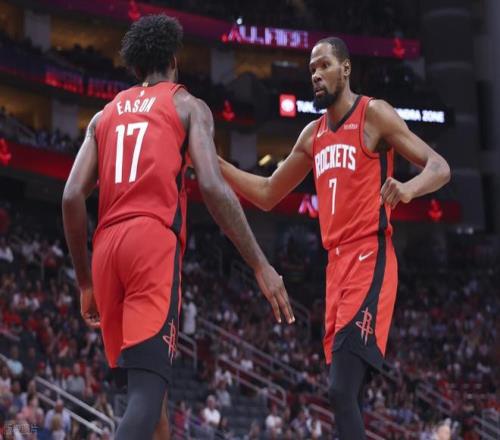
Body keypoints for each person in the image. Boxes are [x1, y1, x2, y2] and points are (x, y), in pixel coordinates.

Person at [62, 14, 294, 440]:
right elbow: (213, 186)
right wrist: (260, 264)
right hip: (150, 244)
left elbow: (71, 197)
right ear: (174, 60)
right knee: (147, 397)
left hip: (106, 247)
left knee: (153, 397)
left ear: (135, 67)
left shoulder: (103, 116)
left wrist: (84, 282)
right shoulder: (188, 106)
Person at [218, 37, 451, 439]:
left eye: (324, 65)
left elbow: (439, 166)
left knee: (340, 390)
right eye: (312, 68)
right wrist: (214, 162)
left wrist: (409, 189)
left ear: (345, 68)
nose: (316, 74)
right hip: (336, 268)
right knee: (348, 396)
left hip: (369, 256)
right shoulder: (313, 135)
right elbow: (268, 193)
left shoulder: (373, 114)